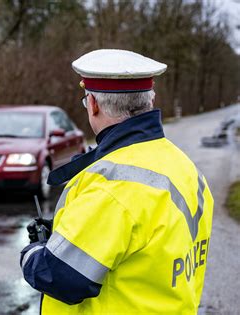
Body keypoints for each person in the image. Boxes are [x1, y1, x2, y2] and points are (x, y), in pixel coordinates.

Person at [21, 49, 213, 314]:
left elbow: (60, 277)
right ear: (150, 100)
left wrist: (33, 252)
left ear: (94, 105)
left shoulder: (111, 186)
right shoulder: (183, 165)